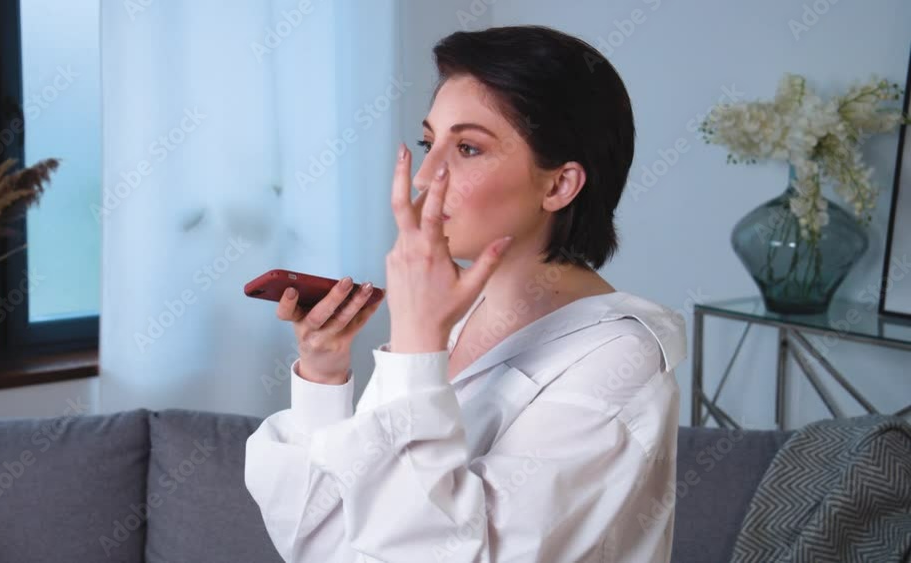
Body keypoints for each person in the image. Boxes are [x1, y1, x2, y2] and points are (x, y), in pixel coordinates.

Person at [245, 24, 688, 562]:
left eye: (469, 148)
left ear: (558, 185)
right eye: (430, 143)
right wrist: (323, 375)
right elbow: (319, 541)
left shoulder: (622, 362)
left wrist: (414, 349)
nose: (427, 178)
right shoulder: (453, 318)